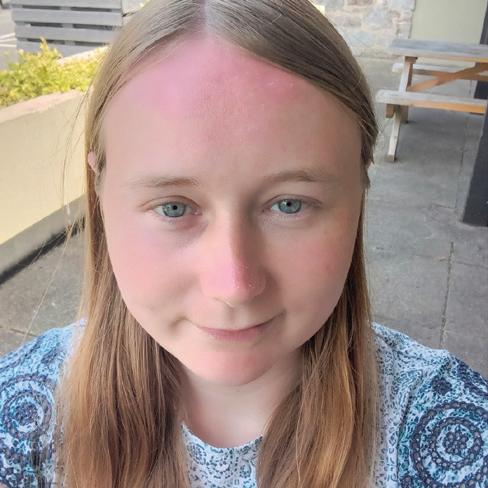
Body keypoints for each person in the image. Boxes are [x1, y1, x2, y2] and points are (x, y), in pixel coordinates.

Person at [1, 0, 487, 486]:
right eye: (173, 208)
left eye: (289, 205)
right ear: (100, 194)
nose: (234, 286)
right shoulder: (19, 418)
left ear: (359, 192)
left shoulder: (455, 431)